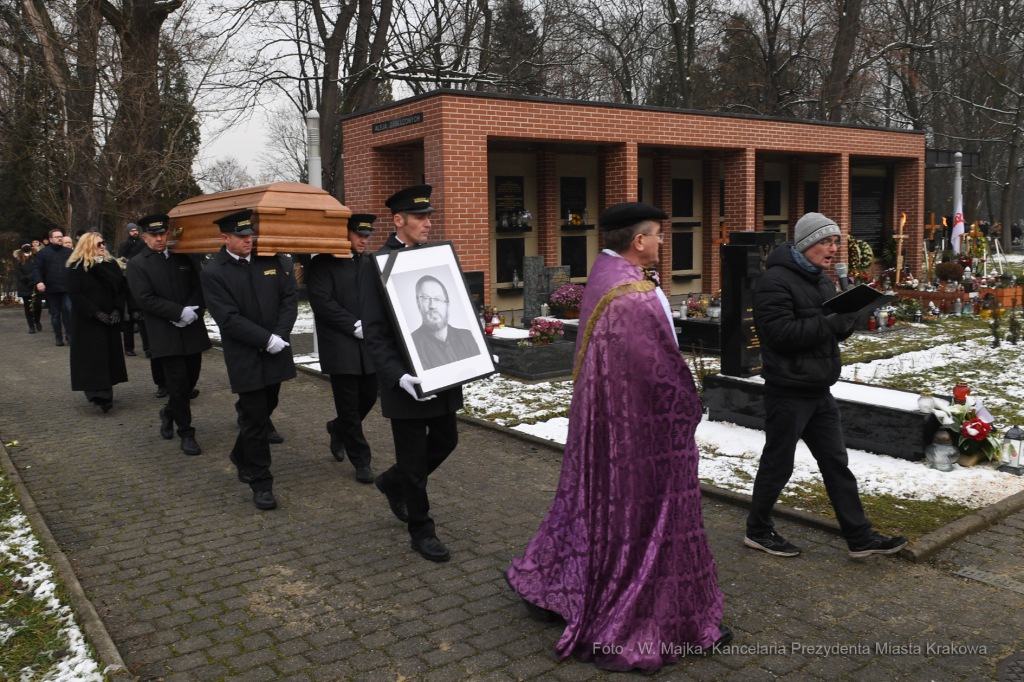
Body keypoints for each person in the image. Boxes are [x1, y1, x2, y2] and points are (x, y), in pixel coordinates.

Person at [506, 203, 729, 672]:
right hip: (640, 435)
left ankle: (550, 586)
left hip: (602, 423)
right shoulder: (636, 296)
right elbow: (660, 372)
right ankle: (655, 616)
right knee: (643, 518)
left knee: (590, 506)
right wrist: (687, 406)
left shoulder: (604, 275)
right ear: (638, 241)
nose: (663, 243)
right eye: (657, 235)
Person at [746, 212, 908, 559]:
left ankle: (860, 537)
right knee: (778, 465)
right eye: (826, 241)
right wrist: (829, 321)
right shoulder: (774, 281)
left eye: (836, 241)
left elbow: (831, 330)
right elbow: (780, 335)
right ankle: (757, 530)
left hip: (819, 389)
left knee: (836, 464)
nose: (834, 248)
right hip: (788, 391)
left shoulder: (822, 280)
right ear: (806, 244)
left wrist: (848, 319)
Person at [362, 185, 463, 563]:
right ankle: (421, 529)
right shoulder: (378, 263)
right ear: (398, 220)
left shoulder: (433, 258)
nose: (428, 223)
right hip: (406, 382)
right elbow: (374, 331)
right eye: (420, 217)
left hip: (441, 371)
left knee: (446, 439)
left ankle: (392, 481)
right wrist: (397, 377)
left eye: (429, 216)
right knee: (414, 458)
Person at [200, 209, 298, 510]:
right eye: (241, 236)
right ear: (225, 238)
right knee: (255, 418)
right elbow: (227, 318)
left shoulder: (271, 261)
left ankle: (240, 454)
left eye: (250, 235)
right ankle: (260, 481)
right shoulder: (214, 271)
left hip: (276, 349)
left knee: (268, 405)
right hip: (245, 354)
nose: (248, 240)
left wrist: (279, 336)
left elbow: (288, 299)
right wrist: (264, 339)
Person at [127, 214, 211, 456]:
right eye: (153, 235)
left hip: (191, 328)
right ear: (144, 237)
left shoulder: (182, 255)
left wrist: (193, 310)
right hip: (165, 332)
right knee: (177, 384)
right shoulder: (137, 263)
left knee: (190, 381)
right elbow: (144, 298)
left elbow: (198, 284)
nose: (159, 239)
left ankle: (168, 412)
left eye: (162, 234)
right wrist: (177, 312)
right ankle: (186, 433)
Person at [307, 213, 379, 484]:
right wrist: (352, 325)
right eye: (359, 234)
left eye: (367, 235)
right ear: (344, 234)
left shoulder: (368, 263)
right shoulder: (322, 263)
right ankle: (361, 460)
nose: (364, 239)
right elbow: (322, 302)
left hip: (368, 344)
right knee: (348, 405)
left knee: (369, 396)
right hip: (340, 344)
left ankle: (337, 429)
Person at [66, 233, 128, 412]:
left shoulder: (111, 264)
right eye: (98, 244)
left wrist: (117, 309)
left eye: (104, 243)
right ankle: (97, 392)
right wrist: (94, 312)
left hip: (110, 319)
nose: (103, 246)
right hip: (88, 320)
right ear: (88, 245)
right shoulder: (76, 267)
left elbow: (122, 288)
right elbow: (74, 293)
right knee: (91, 357)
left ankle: (106, 390)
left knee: (108, 355)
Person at [410, 275, 481, 370]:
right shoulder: (412, 343)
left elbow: (480, 368)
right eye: (425, 299)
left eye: (438, 299)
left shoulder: (466, 336)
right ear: (419, 305)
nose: (432, 305)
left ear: (447, 305)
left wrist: (488, 364)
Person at [32, 228, 74, 346]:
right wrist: (39, 281)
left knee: (69, 310)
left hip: (67, 287)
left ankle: (70, 335)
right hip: (51, 288)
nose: (60, 238)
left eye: (61, 236)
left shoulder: (68, 252)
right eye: (57, 237)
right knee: (55, 314)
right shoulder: (43, 253)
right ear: (50, 239)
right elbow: (36, 268)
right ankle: (58, 337)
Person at [119, 222, 147, 357]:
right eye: (132, 231)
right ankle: (129, 347)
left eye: (136, 230)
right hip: (127, 285)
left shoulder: (143, 244)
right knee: (128, 320)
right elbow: (121, 260)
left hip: (141, 282)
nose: (135, 232)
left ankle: (148, 347)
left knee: (143, 319)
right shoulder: (125, 245)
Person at [14, 245, 43, 333]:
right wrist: (25, 279)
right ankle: (31, 326)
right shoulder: (18, 258)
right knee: (27, 306)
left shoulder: (36, 256)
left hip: (35, 284)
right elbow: (17, 271)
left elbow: (39, 268)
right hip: (24, 285)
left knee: (38, 305)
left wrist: (33, 279)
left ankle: (37, 320)